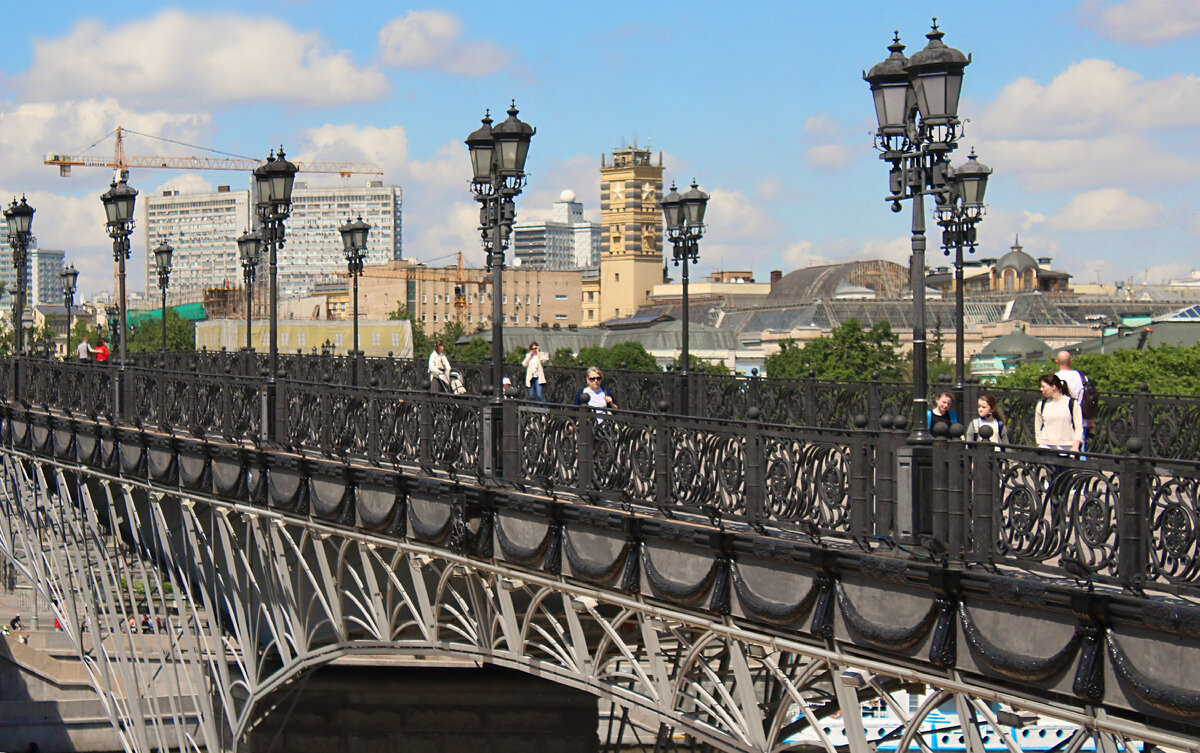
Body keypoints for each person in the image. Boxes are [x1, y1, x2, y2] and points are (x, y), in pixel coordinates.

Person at [1035, 373, 1083, 452]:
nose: (1041, 389)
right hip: (1046, 446)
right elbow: (1038, 428)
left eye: (1044, 387)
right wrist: (1039, 443)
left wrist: (1076, 446)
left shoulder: (1072, 404)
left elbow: (1079, 428)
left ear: (1053, 387)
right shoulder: (1041, 405)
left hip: (1067, 446)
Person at [1055, 350, 1089, 450]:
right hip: (1081, 417)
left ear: (1057, 362)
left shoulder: (1055, 378)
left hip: (1062, 419)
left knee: (1061, 449)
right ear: (1071, 361)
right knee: (1080, 448)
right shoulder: (1082, 377)